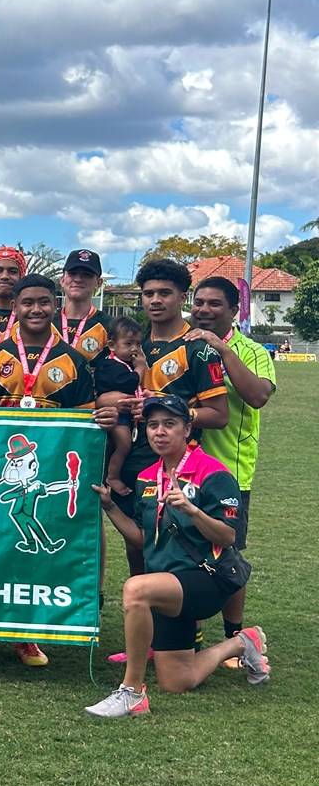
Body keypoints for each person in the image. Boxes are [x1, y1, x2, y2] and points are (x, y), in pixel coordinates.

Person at [0, 273, 94, 669]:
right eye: (28, 302)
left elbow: (84, 423)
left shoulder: (74, 361)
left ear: (55, 306)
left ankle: (25, 637)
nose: (36, 309)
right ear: (16, 307)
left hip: (42, 470)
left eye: (44, 302)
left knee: (30, 558)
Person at [86, 395, 269, 717]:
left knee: (136, 589)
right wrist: (110, 506)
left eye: (169, 424)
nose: (159, 432)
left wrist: (191, 509)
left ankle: (131, 692)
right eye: (153, 425)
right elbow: (142, 540)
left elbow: (228, 537)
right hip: (168, 586)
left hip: (207, 579)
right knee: (177, 681)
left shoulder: (213, 473)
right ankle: (243, 643)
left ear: (187, 429)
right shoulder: (146, 477)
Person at [95, 259, 228, 578]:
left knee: (176, 543)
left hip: (176, 462)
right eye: (148, 293)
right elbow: (101, 395)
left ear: (182, 297)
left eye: (164, 293)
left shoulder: (198, 348)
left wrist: (162, 410)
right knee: (136, 543)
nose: (155, 300)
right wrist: (112, 406)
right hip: (132, 459)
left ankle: (182, 608)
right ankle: (142, 601)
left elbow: (219, 414)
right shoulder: (131, 345)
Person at [186, 275, 276, 664]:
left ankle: (235, 638)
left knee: (228, 554)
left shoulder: (252, 350)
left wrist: (221, 349)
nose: (204, 310)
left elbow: (257, 396)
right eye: (199, 302)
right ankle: (186, 634)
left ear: (234, 309)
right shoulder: (182, 343)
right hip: (180, 469)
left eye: (214, 304)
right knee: (181, 551)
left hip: (229, 470)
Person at [95, 317, 147, 496]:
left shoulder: (125, 364)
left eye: (138, 344)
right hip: (114, 415)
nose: (135, 349)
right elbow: (128, 383)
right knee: (124, 444)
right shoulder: (109, 365)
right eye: (128, 344)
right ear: (112, 345)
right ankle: (112, 477)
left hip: (127, 416)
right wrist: (140, 369)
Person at [56, 249, 114, 364]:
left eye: (87, 275)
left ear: (99, 283)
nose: (78, 279)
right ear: (62, 280)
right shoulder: (47, 323)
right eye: (72, 273)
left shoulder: (111, 326)